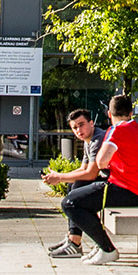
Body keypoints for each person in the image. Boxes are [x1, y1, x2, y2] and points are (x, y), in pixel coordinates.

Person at [60, 94, 138, 264]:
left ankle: (107, 249)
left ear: (109, 114)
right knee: (81, 194)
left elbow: (101, 162)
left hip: (122, 188)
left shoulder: (117, 130)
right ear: (131, 113)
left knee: (70, 203)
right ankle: (99, 244)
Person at [41, 108, 107, 257]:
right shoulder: (88, 140)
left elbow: (91, 174)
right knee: (73, 185)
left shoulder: (98, 139)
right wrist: (59, 176)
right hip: (107, 182)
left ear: (91, 123)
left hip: (116, 184)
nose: (78, 130)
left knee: (76, 188)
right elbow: (83, 168)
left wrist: (60, 177)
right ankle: (73, 239)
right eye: (74, 128)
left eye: (81, 125)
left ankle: (75, 242)